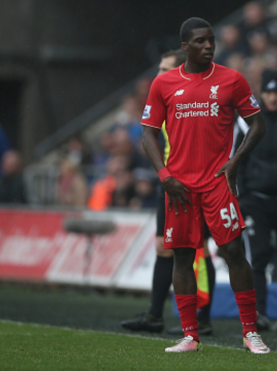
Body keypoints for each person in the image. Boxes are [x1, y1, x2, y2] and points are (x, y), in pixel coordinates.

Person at [140, 17, 269, 354]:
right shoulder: (164, 84)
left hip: (216, 184)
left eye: (211, 40)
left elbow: (257, 124)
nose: (208, 46)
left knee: (234, 253)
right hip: (179, 187)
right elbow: (148, 133)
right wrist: (165, 177)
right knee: (182, 258)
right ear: (185, 46)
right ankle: (189, 335)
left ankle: (250, 331)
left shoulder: (232, 80)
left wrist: (235, 161)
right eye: (200, 41)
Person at [122, 49, 216, 337]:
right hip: (169, 184)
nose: (159, 76)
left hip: (195, 184)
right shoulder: (166, 100)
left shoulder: (194, 100)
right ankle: (154, 315)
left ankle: (202, 316)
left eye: (165, 70)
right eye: (159, 69)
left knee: (198, 249)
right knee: (163, 247)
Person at [237, 69, 277, 332]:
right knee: (258, 256)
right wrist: (243, 195)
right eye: (269, 92)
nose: (273, 98)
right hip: (257, 200)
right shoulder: (247, 120)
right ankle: (259, 312)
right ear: (261, 93)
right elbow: (237, 159)